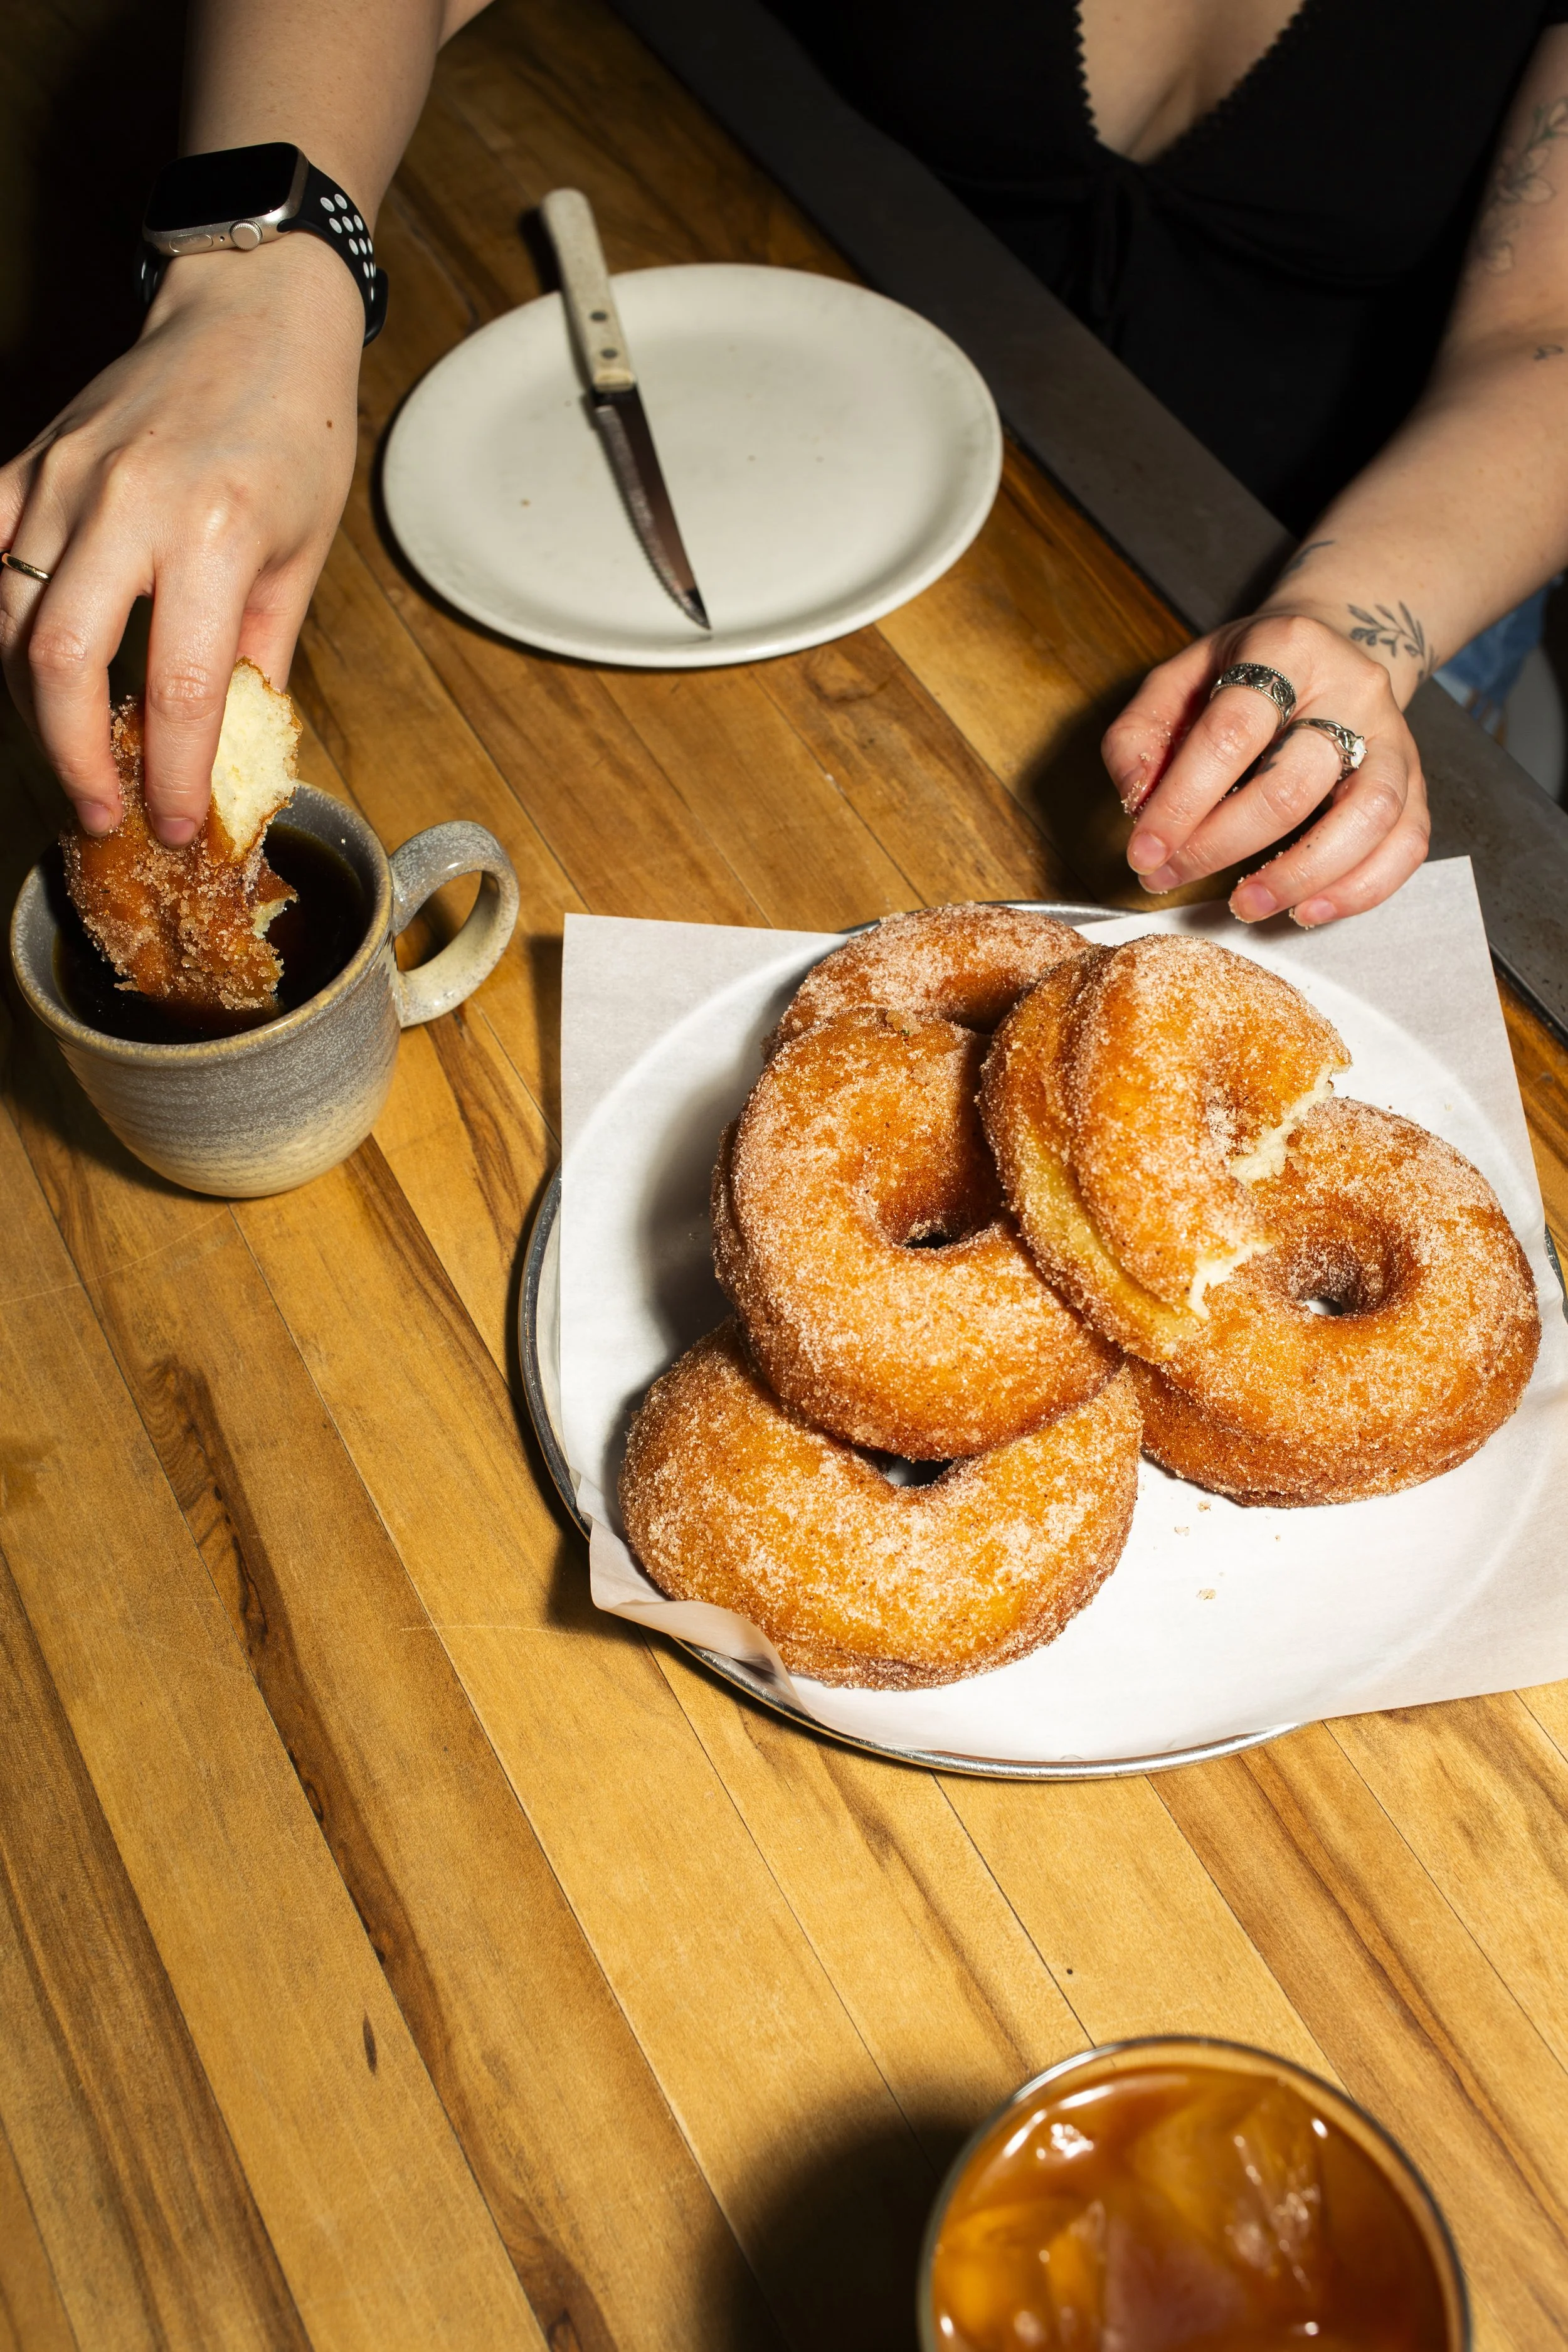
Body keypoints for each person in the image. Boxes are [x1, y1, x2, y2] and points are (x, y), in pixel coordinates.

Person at [4, 0, 1568, 931]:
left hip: (1396, 552)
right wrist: (261, 274)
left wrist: (1352, 624)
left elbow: (1541, 334)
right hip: (833, 467)